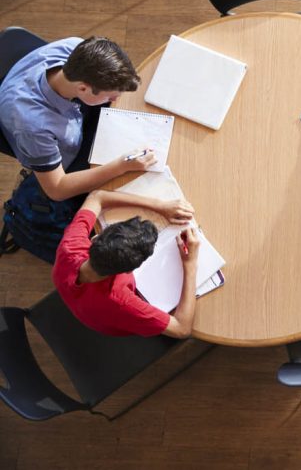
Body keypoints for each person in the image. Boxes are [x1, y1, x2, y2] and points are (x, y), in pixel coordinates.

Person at [0, 36, 156, 202]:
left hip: (74, 114)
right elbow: (57, 189)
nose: (115, 100)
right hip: (64, 157)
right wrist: (121, 166)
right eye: (110, 96)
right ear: (82, 88)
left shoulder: (74, 46)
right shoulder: (34, 127)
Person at [52, 190, 200, 338]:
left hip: (81, 305)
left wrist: (159, 205)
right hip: (118, 322)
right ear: (129, 271)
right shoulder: (120, 302)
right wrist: (190, 264)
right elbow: (182, 329)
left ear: (96, 239)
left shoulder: (70, 246)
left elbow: (96, 197)